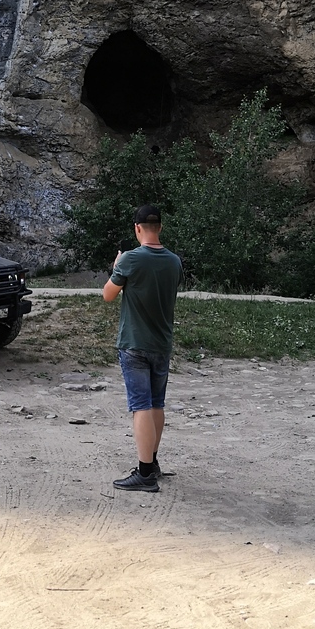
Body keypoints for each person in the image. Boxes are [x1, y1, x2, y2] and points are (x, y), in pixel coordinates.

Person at [102, 204, 183, 493]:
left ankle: (145, 472)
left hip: (135, 343)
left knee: (141, 406)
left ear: (137, 229)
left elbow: (108, 295)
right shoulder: (174, 261)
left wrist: (116, 268)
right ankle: (154, 461)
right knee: (157, 403)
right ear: (160, 227)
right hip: (162, 342)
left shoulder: (131, 260)